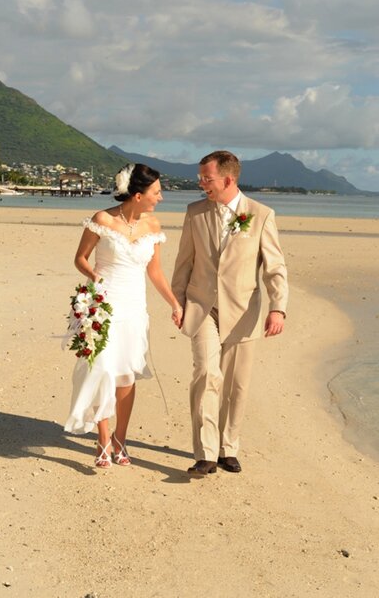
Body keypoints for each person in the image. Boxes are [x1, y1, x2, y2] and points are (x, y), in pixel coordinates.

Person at [172, 150, 288, 477]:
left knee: (236, 384)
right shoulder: (194, 212)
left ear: (228, 179)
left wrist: (278, 308)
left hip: (243, 312)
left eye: (206, 179)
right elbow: (184, 262)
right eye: (200, 178)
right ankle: (206, 454)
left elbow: (275, 267)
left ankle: (228, 448)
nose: (201, 183)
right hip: (201, 306)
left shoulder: (261, 215)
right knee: (206, 374)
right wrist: (178, 301)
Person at [64, 163, 183, 468]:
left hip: (133, 308)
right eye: (157, 192)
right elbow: (80, 258)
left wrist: (174, 303)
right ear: (138, 194)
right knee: (102, 369)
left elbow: (155, 272)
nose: (161, 197)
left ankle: (121, 439)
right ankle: (103, 441)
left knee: (126, 377)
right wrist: (94, 278)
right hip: (104, 305)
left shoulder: (153, 227)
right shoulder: (102, 220)